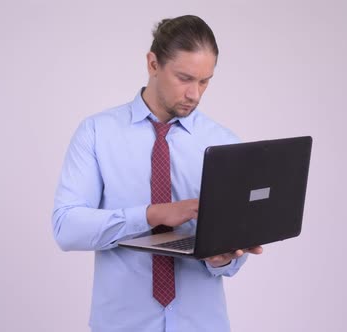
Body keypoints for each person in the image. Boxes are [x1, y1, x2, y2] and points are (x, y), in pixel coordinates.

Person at [52, 15, 263, 332]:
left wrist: (224, 258)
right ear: (153, 64)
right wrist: (150, 215)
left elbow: (231, 258)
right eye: (184, 78)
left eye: (205, 81)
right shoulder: (97, 133)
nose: (195, 94)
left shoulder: (224, 143)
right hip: (123, 325)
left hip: (202, 324)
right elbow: (66, 228)